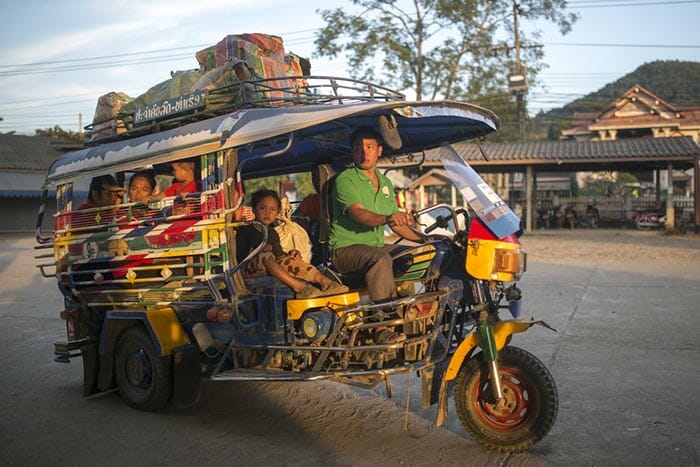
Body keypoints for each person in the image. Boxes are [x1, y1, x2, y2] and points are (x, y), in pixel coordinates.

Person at [329, 127, 423, 341]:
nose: (364, 152)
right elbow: (359, 214)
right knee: (380, 259)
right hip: (345, 250)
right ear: (353, 154)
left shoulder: (386, 184)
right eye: (358, 148)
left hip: (376, 246)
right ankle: (382, 327)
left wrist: (427, 240)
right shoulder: (345, 180)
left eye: (369, 147)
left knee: (421, 254)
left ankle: (415, 310)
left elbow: (398, 225)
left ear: (379, 150)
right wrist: (389, 218)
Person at [237, 189, 348, 299]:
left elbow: (279, 255)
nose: (268, 213)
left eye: (272, 209)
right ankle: (300, 288)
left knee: (289, 259)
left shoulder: (272, 232)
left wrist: (291, 255)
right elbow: (239, 257)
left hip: (270, 266)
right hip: (249, 270)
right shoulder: (245, 231)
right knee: (266, 256)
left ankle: (325, 282)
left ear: (277, 211)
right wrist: (257, 250)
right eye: (262, 208)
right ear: (254, 209)